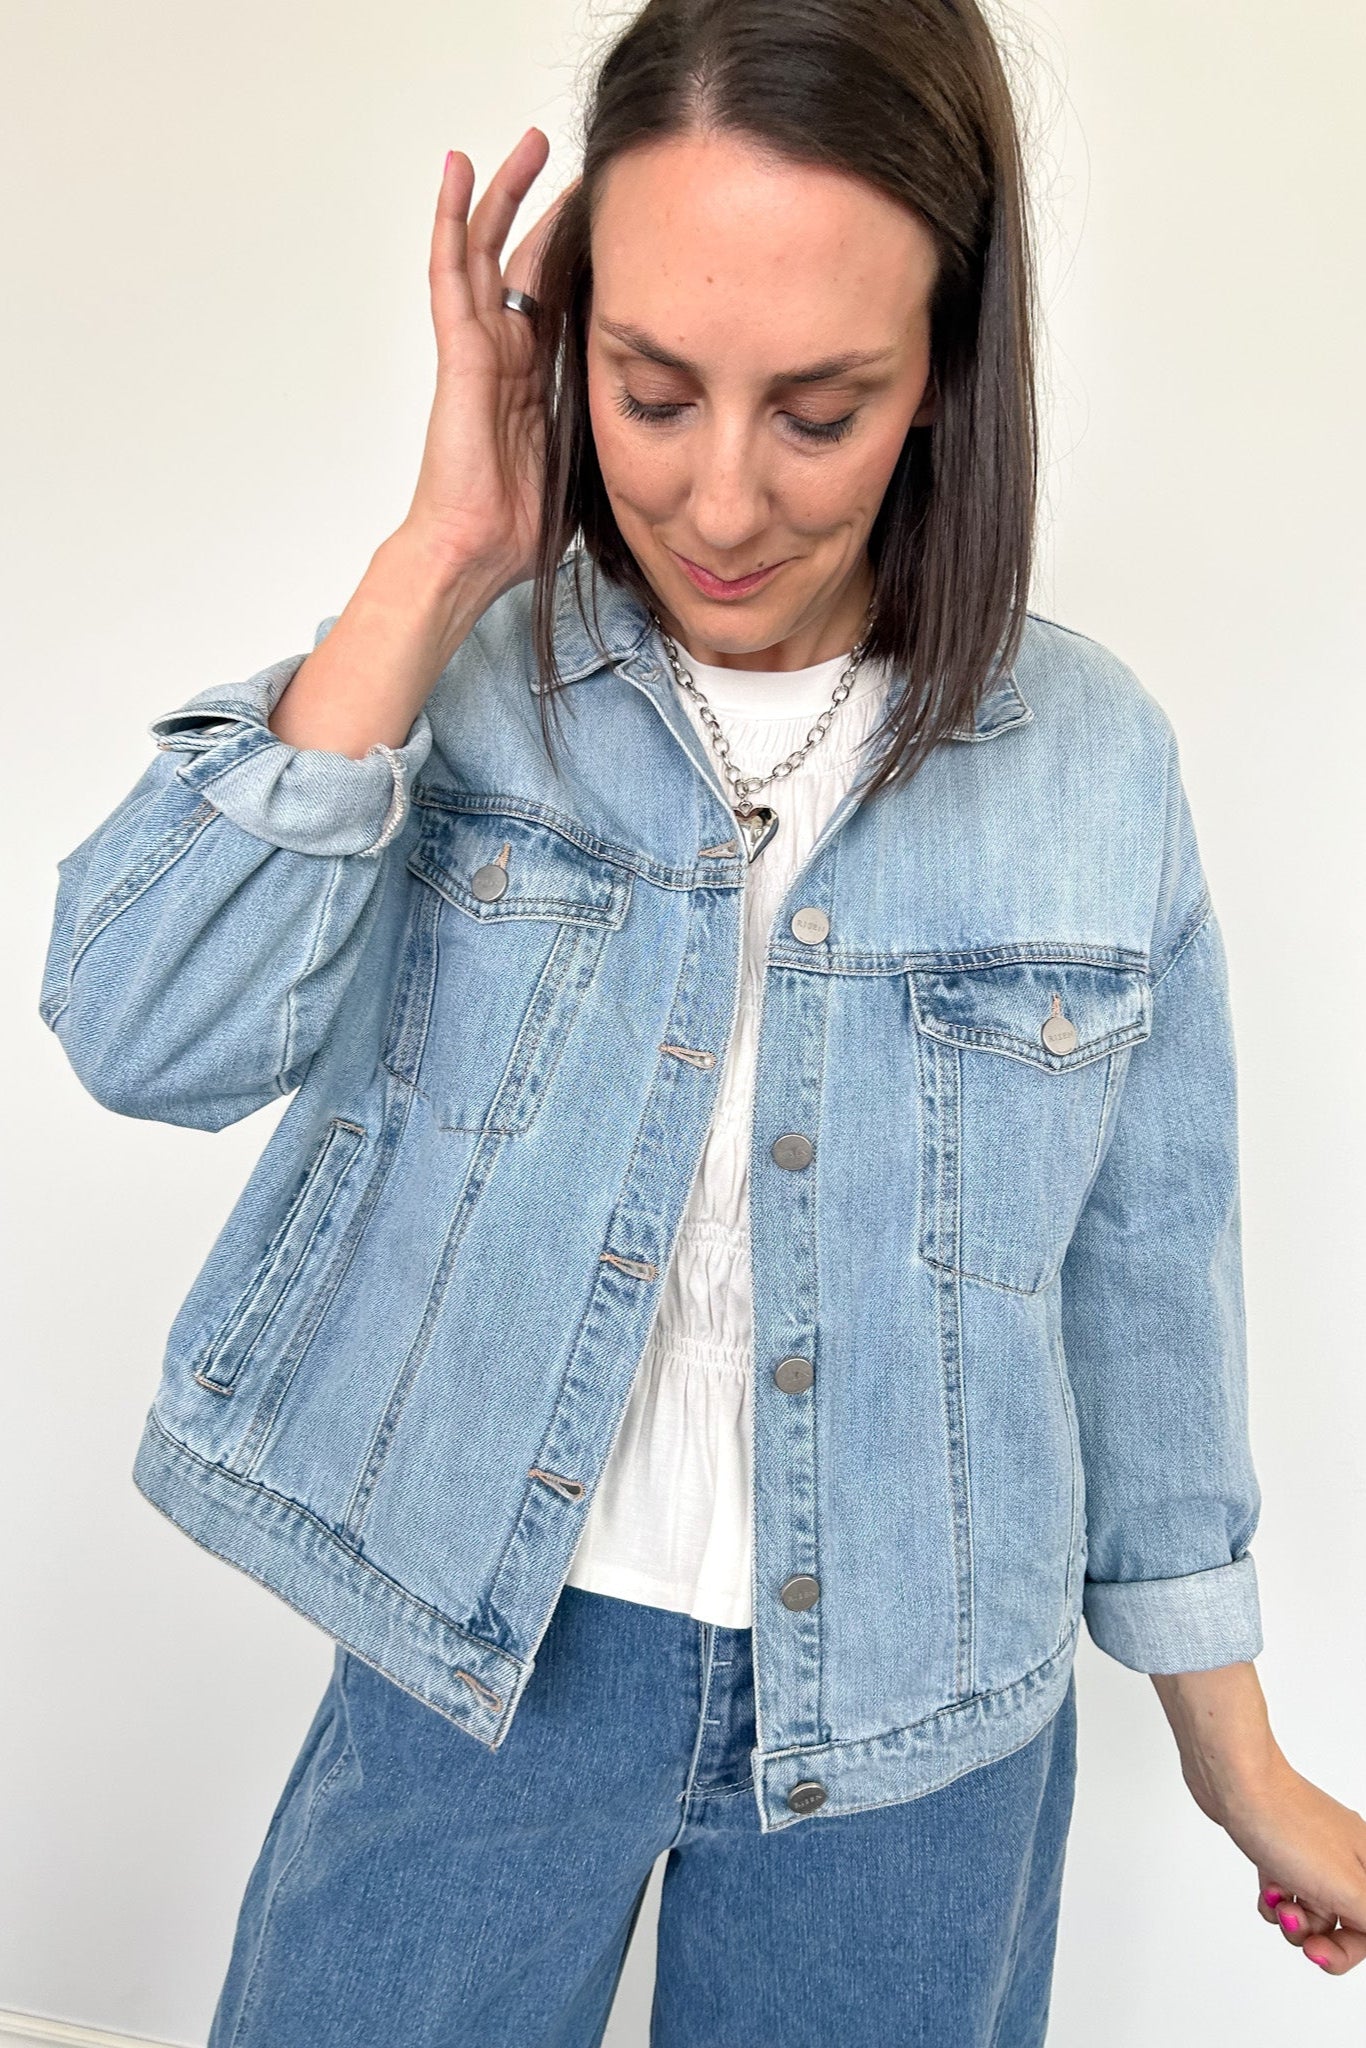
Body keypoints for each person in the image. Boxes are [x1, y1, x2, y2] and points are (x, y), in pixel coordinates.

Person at [37, 1, 1366, 2041]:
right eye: (648, 390)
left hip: (925, 1725)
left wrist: (1232, 1750)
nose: (718, 501)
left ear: (943, 373)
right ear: (564, 346)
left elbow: (1142, 1291)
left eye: (816, 410)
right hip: (479, 1673)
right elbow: (141, 1025)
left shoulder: (1091, 759)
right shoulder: (466, 674)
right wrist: (437, 552)